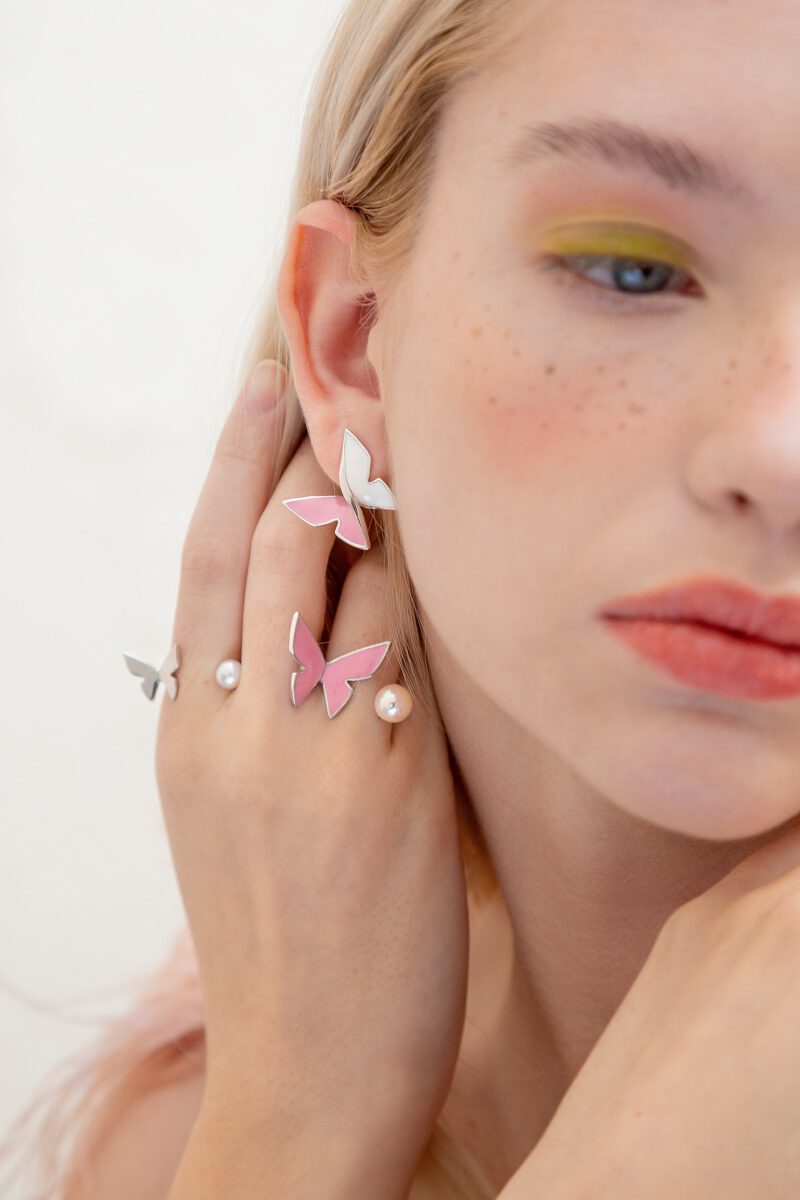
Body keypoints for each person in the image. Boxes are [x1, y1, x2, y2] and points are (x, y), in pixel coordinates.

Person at [5, 0, 800, 1195]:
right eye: (631, 270)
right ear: (352, 340)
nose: (776, 455)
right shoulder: (192, 1138)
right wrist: (294, 1127)